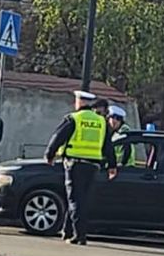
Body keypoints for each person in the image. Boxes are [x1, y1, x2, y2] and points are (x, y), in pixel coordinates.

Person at [45, 90, 117, 245]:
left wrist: (49, 155)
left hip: (75, 164)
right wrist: (112, 165)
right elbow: (108, 145)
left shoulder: (74, 118)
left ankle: (79, 235)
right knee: (81, 199)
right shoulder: (101, 121)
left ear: (80, 102)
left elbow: (57, 137)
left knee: (74, 200)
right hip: (93, 165)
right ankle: (67, 231)